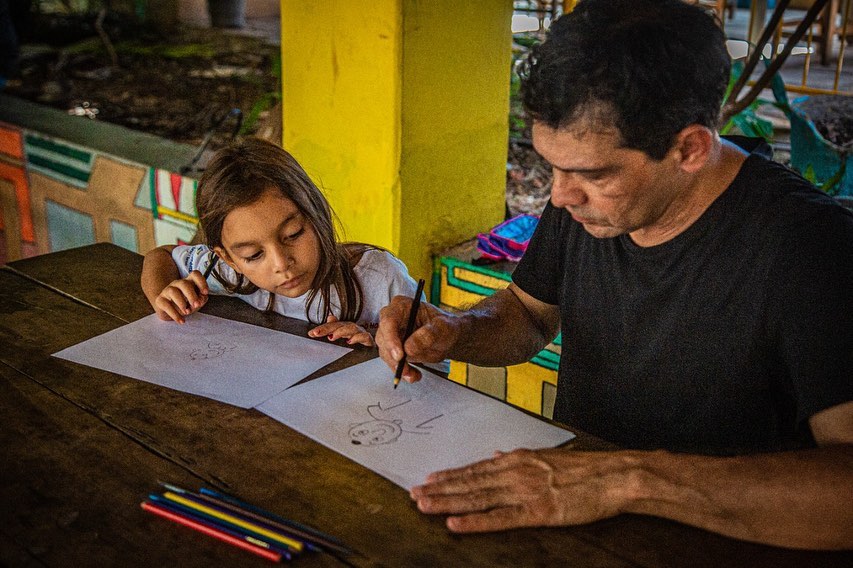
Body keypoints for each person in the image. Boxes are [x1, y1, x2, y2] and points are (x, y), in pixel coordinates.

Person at [375, 0, 853, 550]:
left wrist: (630, 480)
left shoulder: (813, 250)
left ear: (689, 148)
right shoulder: (588, 204)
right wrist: (455, 330)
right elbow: (529, 315)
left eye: (592, 174)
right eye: (552, 166)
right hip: (578, 535)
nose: (560, 195)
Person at [141, 137, 420, 347]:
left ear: (317, 214)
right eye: (253, 255)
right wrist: (164, 297)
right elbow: (160, 256)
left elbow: (429, 360)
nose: (281, 264)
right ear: (229, 259)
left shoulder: (380, 280)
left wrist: (376, 347)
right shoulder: (224, 272)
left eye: (293, 234)